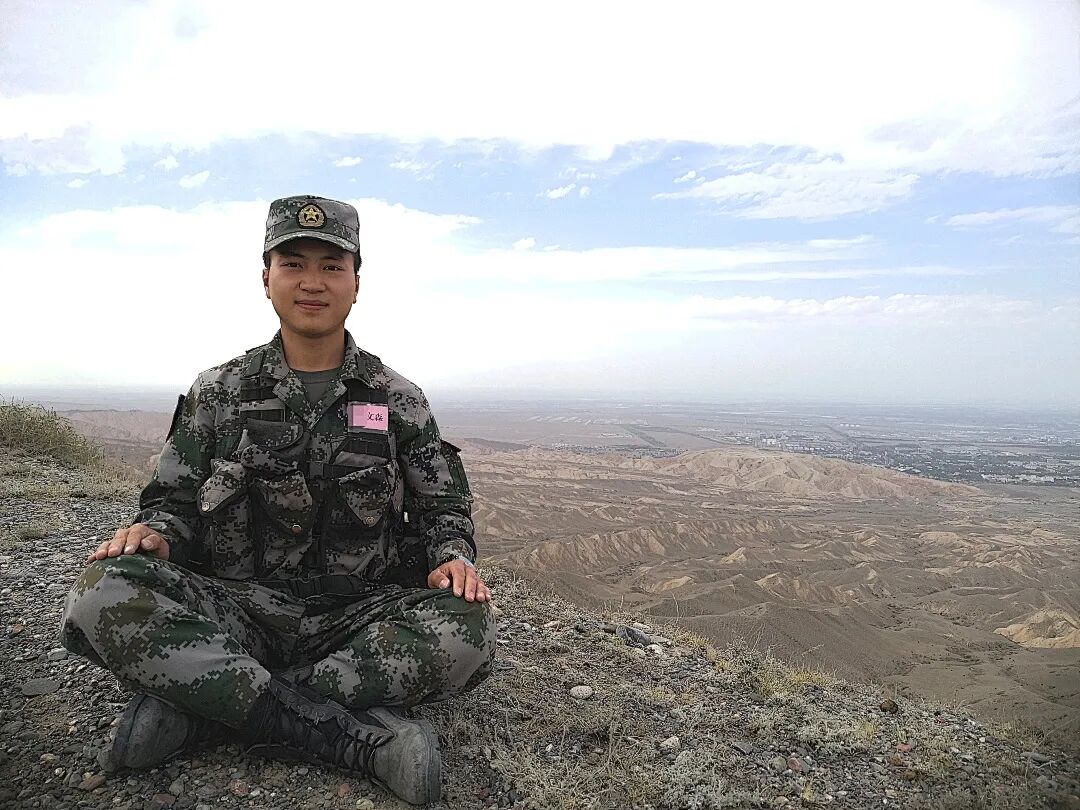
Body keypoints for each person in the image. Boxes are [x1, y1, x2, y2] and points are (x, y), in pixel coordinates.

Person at [59, 195, 496, 806]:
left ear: (356, 283)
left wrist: (452, 557)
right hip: (238, 610)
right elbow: (173, 502)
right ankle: (348, 737)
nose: (312, 282)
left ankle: (210, 706)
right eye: (293, 264)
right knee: (102, 589)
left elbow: (441, 509)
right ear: (266, 279)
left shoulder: (397, 398)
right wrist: (156, 536)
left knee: (470, 626)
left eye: (332, 266)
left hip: (359, 618)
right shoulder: (218, 391)